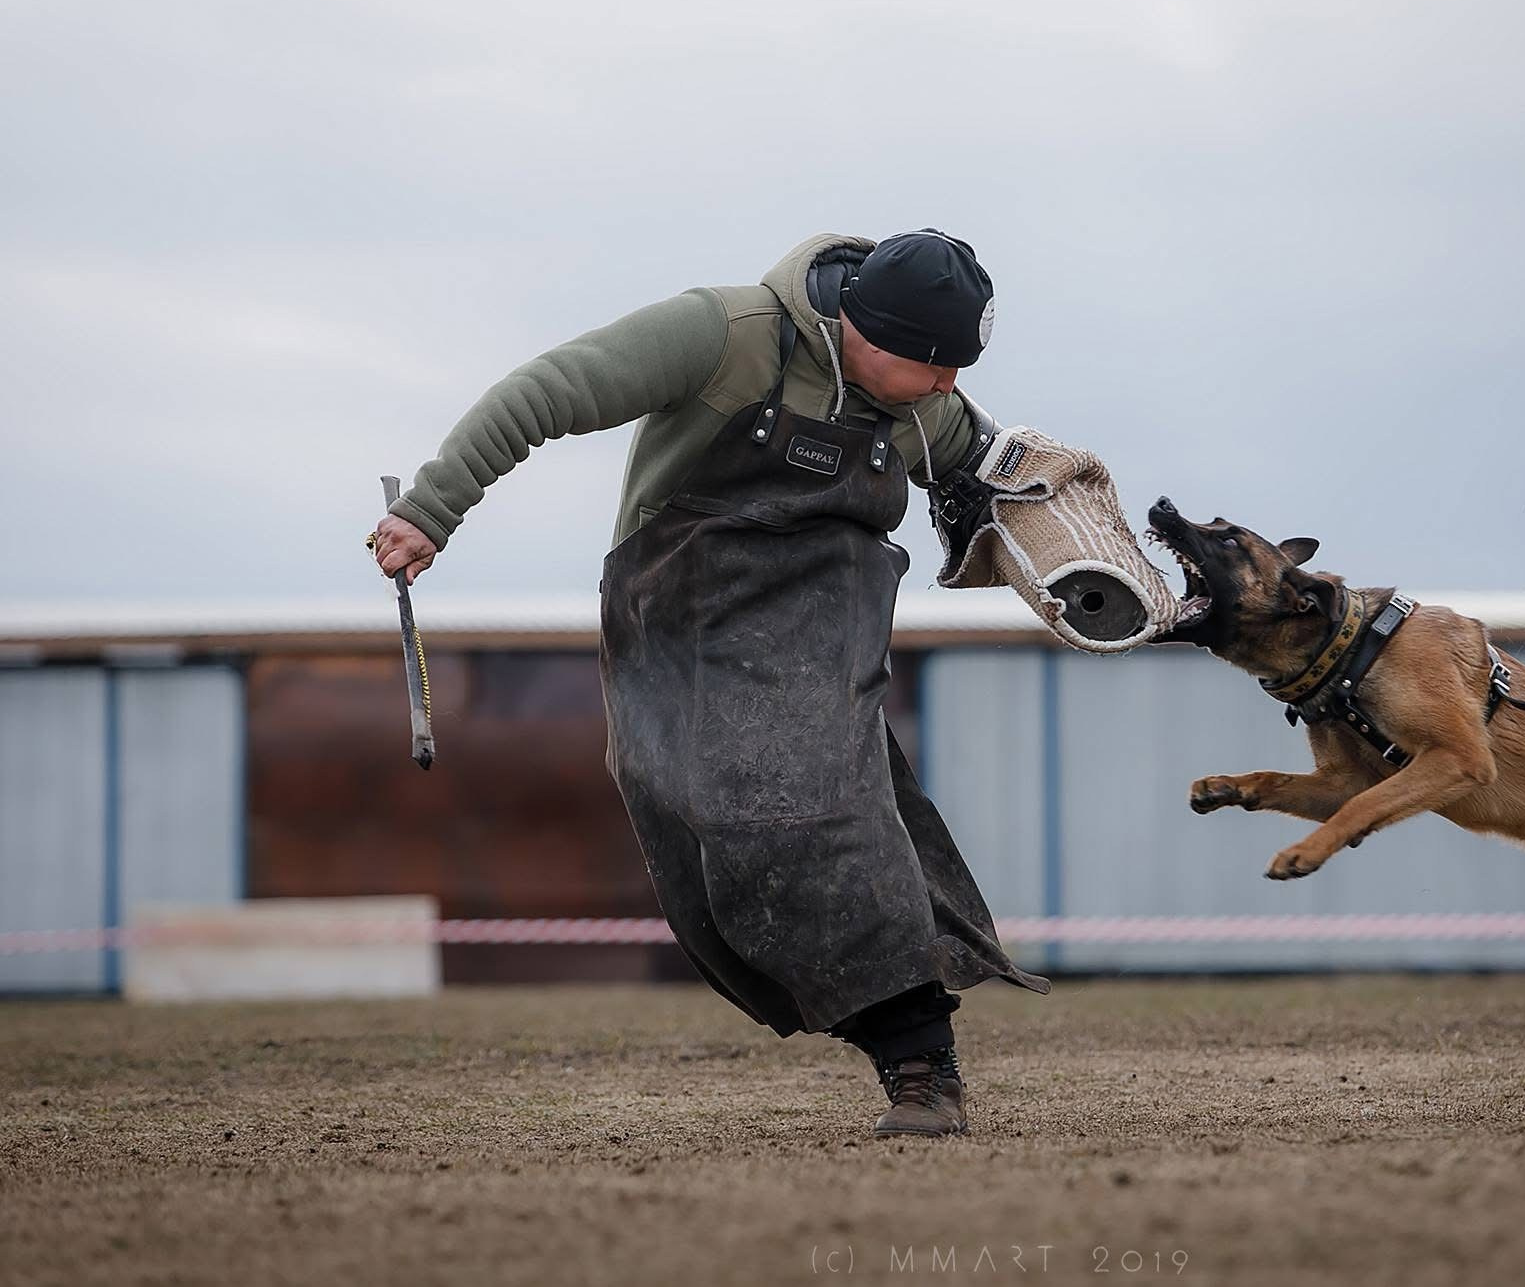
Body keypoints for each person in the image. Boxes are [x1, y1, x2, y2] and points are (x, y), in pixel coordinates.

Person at [371, 231, 1049, 1138]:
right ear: (863, 327)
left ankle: (919, 1059)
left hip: (822, 605)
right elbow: (544, 392)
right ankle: (876, 1007)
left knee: (810, 799)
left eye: (960, 368)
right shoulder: (721, 334)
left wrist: (1061, 520)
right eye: (932, 366)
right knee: (684, 811)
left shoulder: (927, 401)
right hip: (676, 608)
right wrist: (430, 510)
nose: (947, 388)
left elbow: (995, 466)